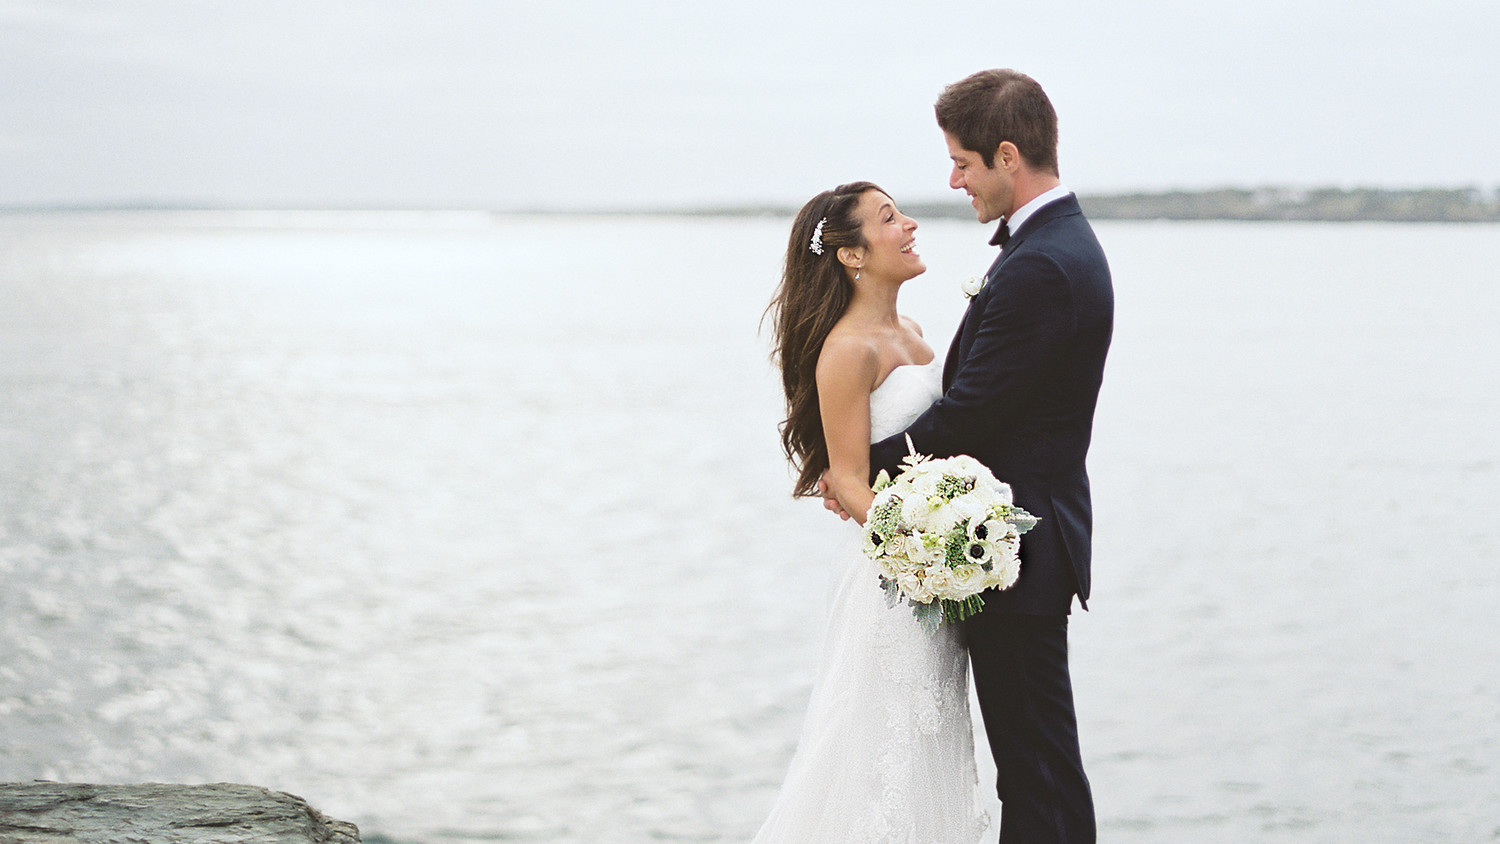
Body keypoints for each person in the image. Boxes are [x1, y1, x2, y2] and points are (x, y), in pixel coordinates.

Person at [827, 69, 1113, 843]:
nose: (953, 180)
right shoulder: (1045, 249)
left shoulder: (1044, 265)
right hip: (1011, 547)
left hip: (1018, 553)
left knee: (1038, 770)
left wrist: (854, 469)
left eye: (963, 162)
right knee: (1035, 763)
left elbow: (970, 417)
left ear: (1008, 156)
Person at [753, 181, 989, 841]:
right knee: (880, 756)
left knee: (935, 746)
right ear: (852, 255)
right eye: (890, 218)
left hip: (931, 583)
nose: (910, 225)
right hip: (894, 585)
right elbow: (850, 480)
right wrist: (928, 547)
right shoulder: (847, 351)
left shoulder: (911, 331)